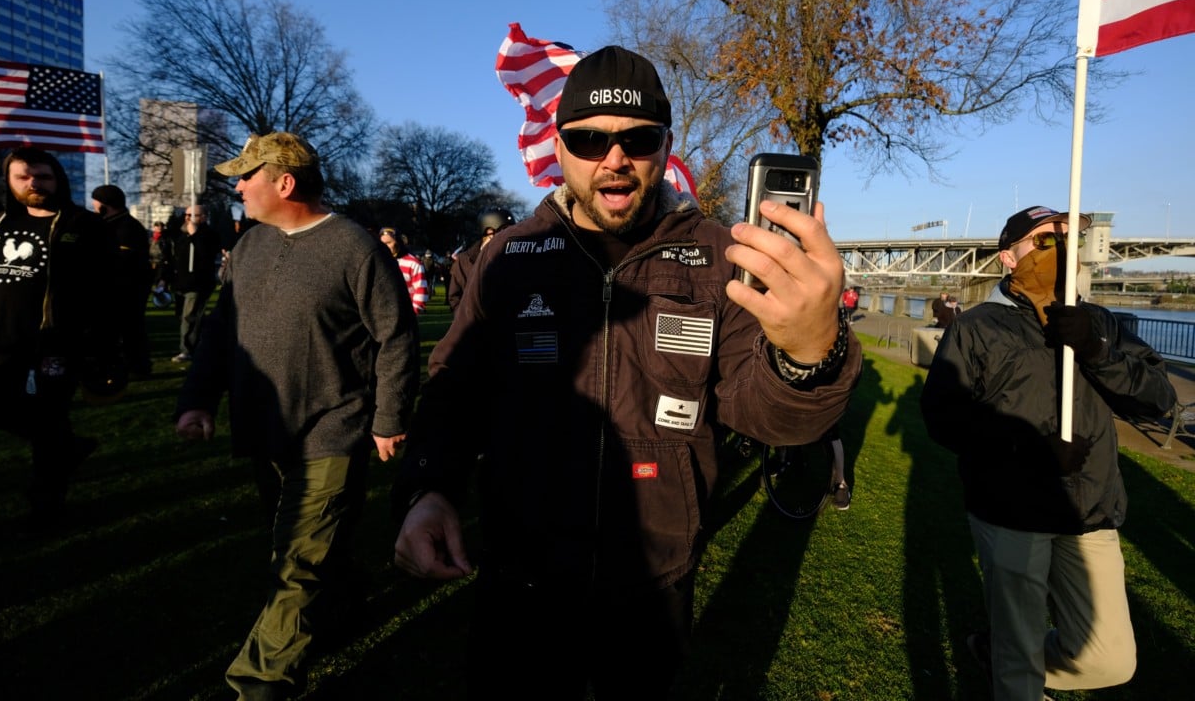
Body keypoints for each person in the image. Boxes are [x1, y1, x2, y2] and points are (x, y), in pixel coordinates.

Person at [392, 45, 861, 698]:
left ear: (665, 144)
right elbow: (455, 389)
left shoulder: (721, 255)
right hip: (521, 579)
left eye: (637, 139)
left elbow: (767, 414)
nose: (614, 159)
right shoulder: (511, 255)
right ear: (558, 148)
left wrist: (809, 353)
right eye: (588, 140)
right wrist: (428, 491)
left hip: (654, 580)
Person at [174, 131, 420, 699]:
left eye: (246, 177)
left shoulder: (356, 248)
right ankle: (344, 608)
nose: (237, 187)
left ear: (284, 183)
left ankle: (259, 683)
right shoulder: (251, 246)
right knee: (304, 547)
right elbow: (220, 333)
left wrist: (388, 417)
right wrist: (197, 401)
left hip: (335, 427)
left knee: (295, 562)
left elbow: (396, 338)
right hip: (264, 427)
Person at [920, 205, 1176, 701]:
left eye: (1065, 239)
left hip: (1090, 510)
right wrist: (1023, 447)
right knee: (1018, 673)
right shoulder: (977, 327)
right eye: (1044, 241)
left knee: (1109, 659)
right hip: (1010, 512)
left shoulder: (1100, 322)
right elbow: (944, 418)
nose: (1059, 249)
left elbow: (1159, 398)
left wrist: (1098, 351)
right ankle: (1013, 667)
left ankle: (1007, 657)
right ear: (1007, 259)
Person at [0, 147, 116, 531]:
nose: (34, 184)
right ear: (10, 180)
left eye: (43, 176)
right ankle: (69, 447)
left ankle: (45, 510)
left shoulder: (82, 224)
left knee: (48, 425)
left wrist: (95, 343)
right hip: (1, 341)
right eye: (23, 177)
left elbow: (104, 288)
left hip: (53, 344)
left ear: (57, 178)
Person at [91, 184, 153, 376]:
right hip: (122, 289)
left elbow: (122, 263)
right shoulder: (114, 224)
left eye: (96, 201)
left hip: (125, 290)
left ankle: (136, 366)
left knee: (130, 331)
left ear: (104, 204)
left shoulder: (126, 228)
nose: (93, 206)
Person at [169, 204, 221, 362]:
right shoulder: (182, 235)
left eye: (192, 215)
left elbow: (205, 256)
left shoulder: (208, 235)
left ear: (203, 217)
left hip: (197, 283)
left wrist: (195, 236)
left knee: (189, 317)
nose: (187, 218)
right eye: (186, 214)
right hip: (182, 282)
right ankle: (205, 342)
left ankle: (187, 350)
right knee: (185, 317)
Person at [446, 207, 514, 312]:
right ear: (489, 232)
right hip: (476, 323)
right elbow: (454, 297)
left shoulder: (514, 257)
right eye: (504, 231)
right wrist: (467, 318)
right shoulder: (464, 261)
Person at [380, 226, 429, 315]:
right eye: (383, 244)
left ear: (398, 242)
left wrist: (411, 315)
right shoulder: (378, 262)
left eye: (389, 243)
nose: (385, 247)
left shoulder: (413, 263)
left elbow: (421, 292)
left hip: (405, 318)